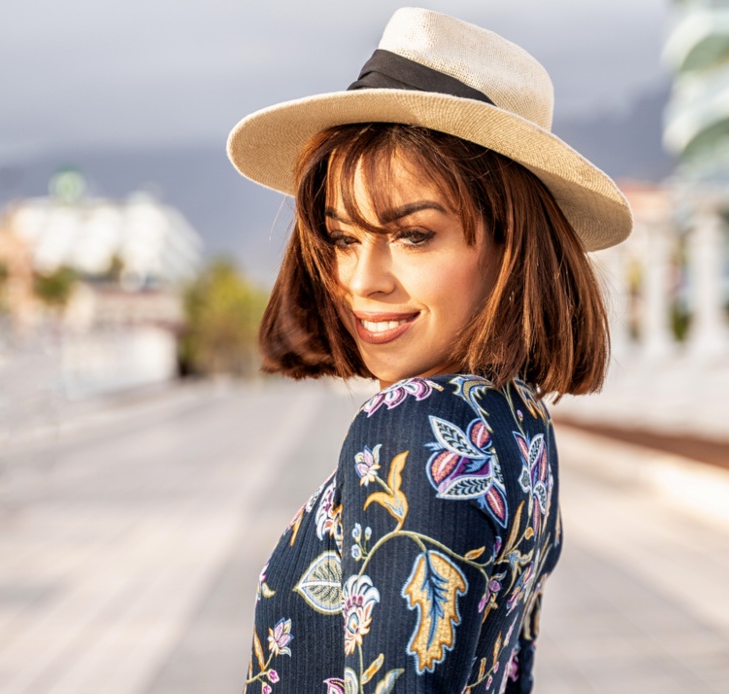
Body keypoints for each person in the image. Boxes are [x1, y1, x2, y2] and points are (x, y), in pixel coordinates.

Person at [226, 8, 631, 693]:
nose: (363, 280)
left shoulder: (415, 424)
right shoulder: (518, 419)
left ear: (511, 243)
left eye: (413, 235)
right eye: (343, 238)